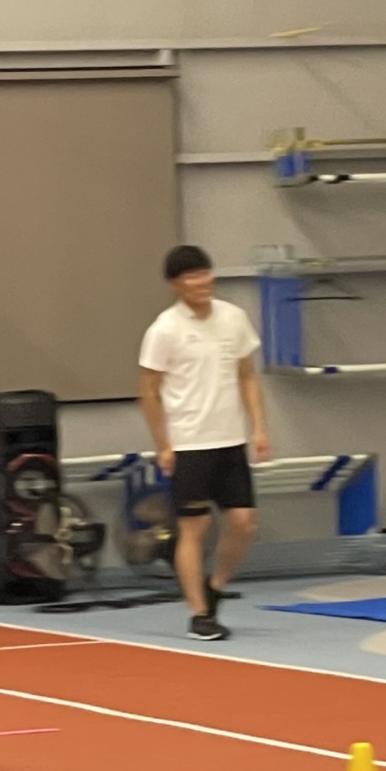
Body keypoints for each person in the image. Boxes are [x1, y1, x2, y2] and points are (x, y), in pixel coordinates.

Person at [137, 242, 270, 642]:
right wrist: (163, 443)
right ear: (175, 284)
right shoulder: (164, 329)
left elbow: (247, 375)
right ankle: (199, 614)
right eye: (191, 276)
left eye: (205, 273)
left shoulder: (233, 318)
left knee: (243, 522)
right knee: (194, 525)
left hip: (230, 440)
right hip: (188, 443)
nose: (201, 282)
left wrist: (259, 428)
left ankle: (215, 585)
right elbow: (148, 391)